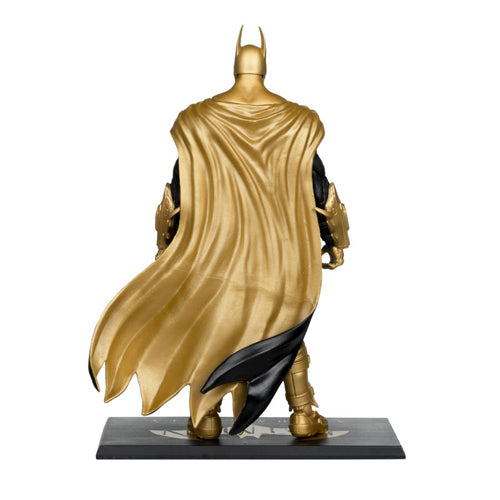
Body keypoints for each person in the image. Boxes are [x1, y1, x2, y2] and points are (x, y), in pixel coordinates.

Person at [89, 26, 349, 440]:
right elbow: (322, 194)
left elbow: (176, 197)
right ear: (265, 67)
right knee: (282, 329)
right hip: (279, 256)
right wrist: (336, 243)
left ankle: (206, 419)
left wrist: (166, 247)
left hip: (215, 252)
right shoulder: (297, 122)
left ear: (235, 67)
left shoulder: (199, 121)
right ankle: (302, 413)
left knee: (217, 327)